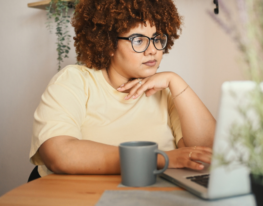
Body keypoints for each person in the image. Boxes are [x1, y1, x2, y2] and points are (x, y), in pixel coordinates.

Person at [29, 0, 215, 178]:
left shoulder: (165, 91)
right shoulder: (74, 81)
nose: (153, 50)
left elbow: (207, 153)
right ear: (109, 43)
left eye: (157, 38)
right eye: (139, 40)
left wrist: (176, 81)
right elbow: (59, 153)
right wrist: (157, 159)